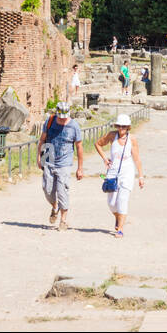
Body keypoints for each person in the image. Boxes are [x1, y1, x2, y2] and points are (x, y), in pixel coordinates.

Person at [93, 113, 144, 237]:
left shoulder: (132, 139)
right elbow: (98, 144)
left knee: (122, 200)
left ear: (128, 127)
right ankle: (118, 216)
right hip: (112, 171)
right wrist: (105, 158)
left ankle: (120, 229)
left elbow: (137, 158)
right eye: (119, 126)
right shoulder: (112, 136)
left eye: (124, 126)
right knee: (111, 203)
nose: (121, 129)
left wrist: (141, 176)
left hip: (127, 172)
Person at [38, 100, 84, 230]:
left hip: (64, 162)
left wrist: (80, 168)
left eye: (65, 117)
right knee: (47, 190)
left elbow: (79, 147)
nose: (63, 120)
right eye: (60, 117)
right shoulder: (50, 121)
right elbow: (42, 140)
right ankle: (55, 207)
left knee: (62, 191)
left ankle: (63, 220)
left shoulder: (74, 126)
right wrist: (39, 157)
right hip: (49, 158)